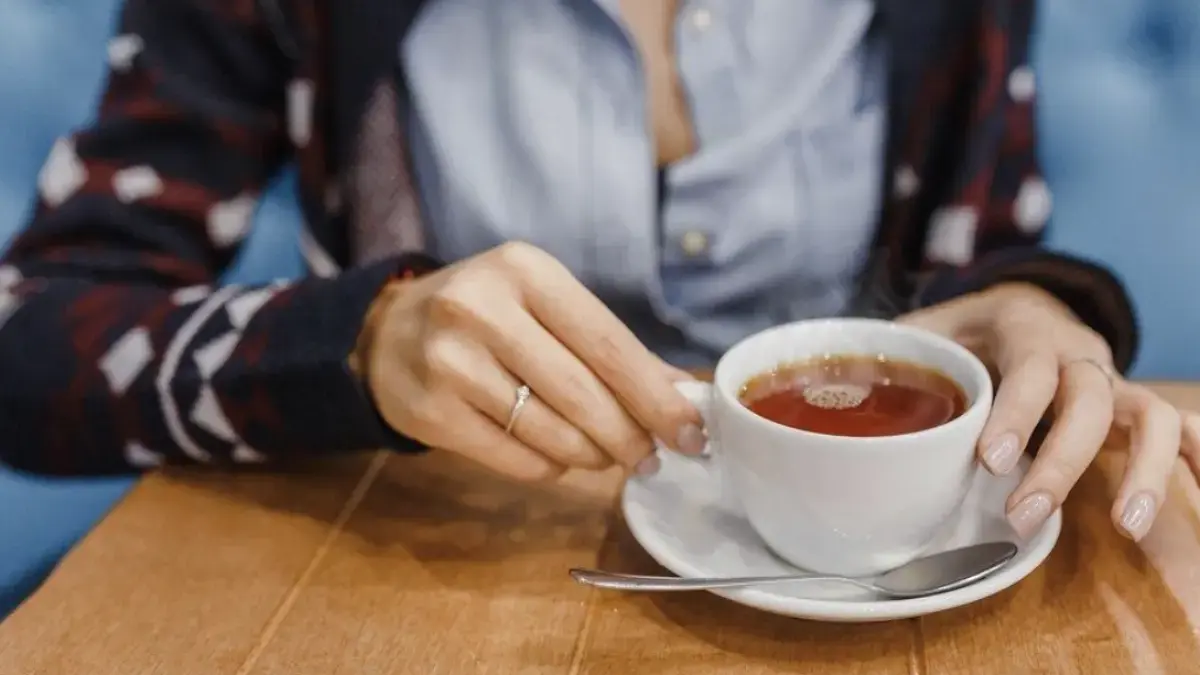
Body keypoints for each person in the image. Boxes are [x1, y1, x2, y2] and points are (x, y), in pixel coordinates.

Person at [0, 0, 1195, 545]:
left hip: (857, 596)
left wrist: (1043, 306)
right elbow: (30, 339)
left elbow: (976, 260)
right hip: (432, 559)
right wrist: (359, 342)